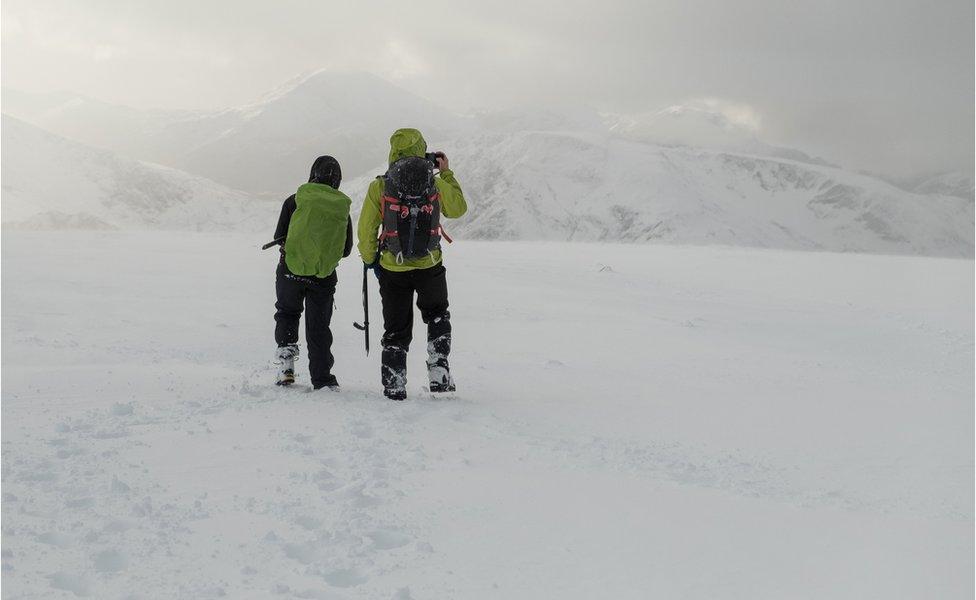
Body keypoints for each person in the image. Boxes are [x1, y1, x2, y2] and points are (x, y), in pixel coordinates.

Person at [357, 128, 467, 400]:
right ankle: (439, 374)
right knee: (437, 315)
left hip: (393, 268)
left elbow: (366, 230)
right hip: (430, 265)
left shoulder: (380, 186)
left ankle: (394, 384)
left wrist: (372, 261)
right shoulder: (434, 182)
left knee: (396, 328)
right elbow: (458, 208)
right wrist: (446, 173)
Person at [272, 155, 353, 390]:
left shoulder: (295, 199)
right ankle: (322, 378)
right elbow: (346, 250)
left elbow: (280, 236)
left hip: (291, 272)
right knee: (318, 327)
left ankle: (286, 367)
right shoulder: (341, 207)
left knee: (287, 313)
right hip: (323, 276)